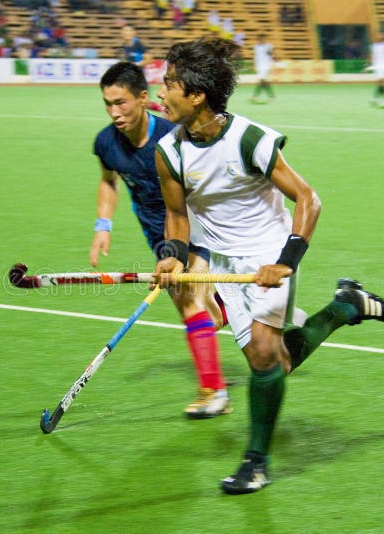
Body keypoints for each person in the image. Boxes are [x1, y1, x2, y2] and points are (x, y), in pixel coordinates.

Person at [152, 37, 384, 494]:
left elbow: (308, 199)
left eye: (169, 84)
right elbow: (178, 215)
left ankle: (256, 460)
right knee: (273, 363)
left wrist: (285, 262)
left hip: (268, 255)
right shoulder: (169, 152)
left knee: (263, 359)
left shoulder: (250, 139)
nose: (161, 93)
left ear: (197, 95)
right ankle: (345, 307)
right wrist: (172, 256)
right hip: (224, 265)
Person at [92, 61, 232, 418]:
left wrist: (181, 245)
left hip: (194, 227)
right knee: (204, 316)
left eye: (121, 102)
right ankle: (230, 308)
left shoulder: (174, 138)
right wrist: (102, 225)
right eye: (108, 104)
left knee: (187, 303)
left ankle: (214, 392)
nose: (114, 112)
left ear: (142, 98)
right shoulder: (106, 142)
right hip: (158, 235)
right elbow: (109, 180)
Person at [251, 33, 275, 103]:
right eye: (260, 39)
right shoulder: (255, 46)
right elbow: (255, 56)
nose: (262, 40)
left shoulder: (268, 46)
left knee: (262, 80)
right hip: (259, 65)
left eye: (263, 39)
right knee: (264, 81)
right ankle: (271, 96)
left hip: (266, 65)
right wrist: (253, 64)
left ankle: (255, 96)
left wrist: (272, 57)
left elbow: (271, 54)